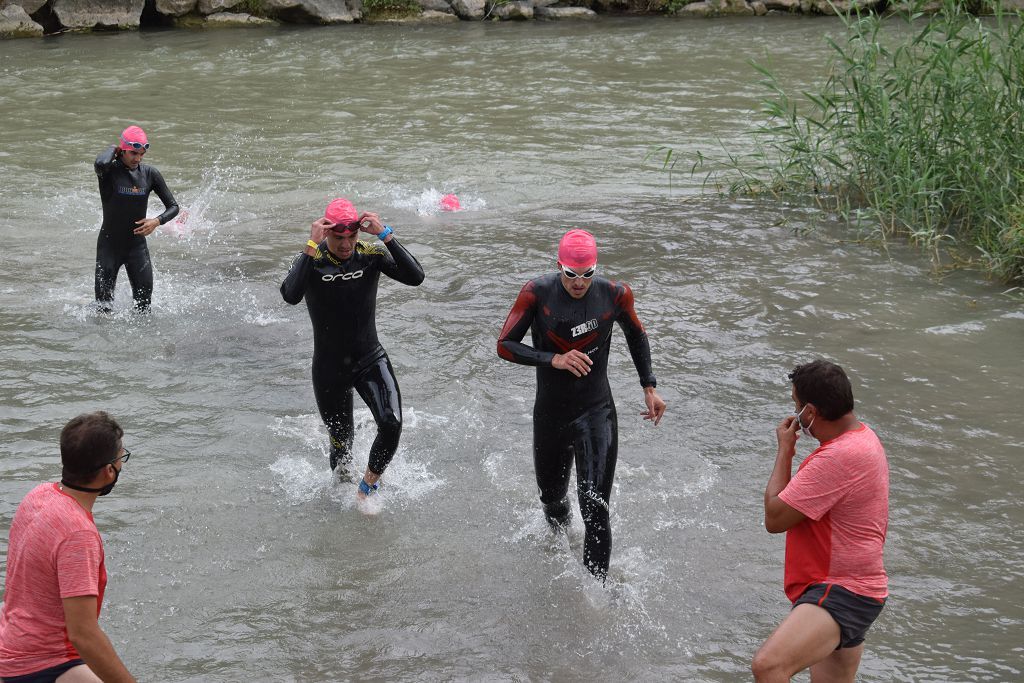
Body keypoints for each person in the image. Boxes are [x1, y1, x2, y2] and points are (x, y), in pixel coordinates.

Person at [496, 228, 666, 581]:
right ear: (559, 266)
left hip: (596, 411)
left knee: (595, 509)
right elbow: (505, 345)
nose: (579, 283)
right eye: (571, 275)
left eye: (587, 274)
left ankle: (595, 595)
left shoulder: (615, 294)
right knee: (553, 501)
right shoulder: (536, 293)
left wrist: (649, 386)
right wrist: (552, 359)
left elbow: (636, 333)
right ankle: (557, 549)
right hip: (551, 415)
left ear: (595, 268)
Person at [281, 198, 424, 507]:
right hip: (330, 369)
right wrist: (310, 245)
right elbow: (290, 295)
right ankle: (339, 495)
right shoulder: (312, 259)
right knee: (342, 445)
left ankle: (366, 488)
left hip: (369, 357)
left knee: (391, 423)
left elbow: (416, 277)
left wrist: (385, 233)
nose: (346, 244)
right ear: (326, 233)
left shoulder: (370, 255)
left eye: (351, 237)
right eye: (338, 238)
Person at [752, 360, 889, 683]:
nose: (795, 414)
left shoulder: (837, 457)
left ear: (810, 413)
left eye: (796, 406)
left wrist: (784, 450)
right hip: (863, 590)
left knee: (769, 666)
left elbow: (775, 517)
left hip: (840, 589)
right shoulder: (864, 439)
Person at [0, 412, 136, 683]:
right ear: (109, 471)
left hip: (11, 641)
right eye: (122, 457)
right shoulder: (78, 533)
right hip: (41, 663)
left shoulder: (39, 494)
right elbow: (82, 633)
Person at [93, 125, 179, 312]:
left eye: (141, 154)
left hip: (137, 249)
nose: (138, 158)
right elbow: (100, 163)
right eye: (133, 153)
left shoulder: (150, 174)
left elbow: (174, 207)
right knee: (103, 310)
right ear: (122, 150)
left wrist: (157, 221)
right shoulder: (109, 173)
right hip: (109, 248)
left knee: (144, 309)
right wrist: (112, 148)